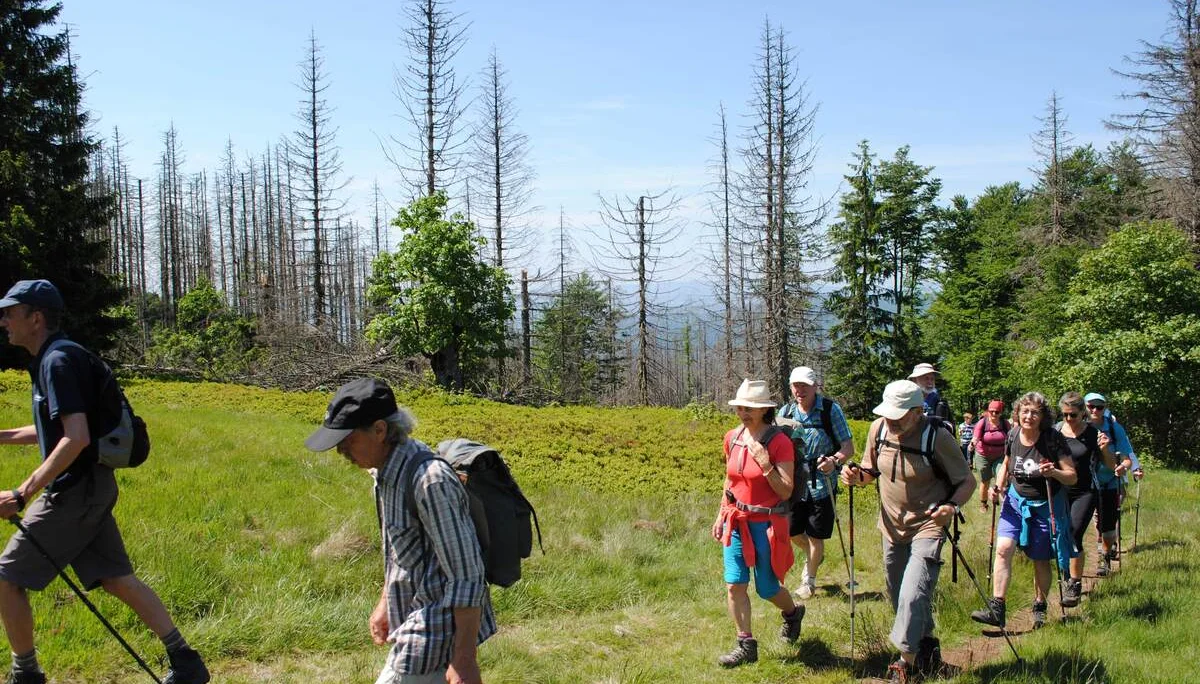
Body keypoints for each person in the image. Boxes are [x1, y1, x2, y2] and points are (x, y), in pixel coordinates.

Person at [0, 280, 209, 684]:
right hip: (91, 486)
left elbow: (75, 437)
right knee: (115, 579)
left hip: (75, 492)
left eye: (11, 312)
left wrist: (22, 492)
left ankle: (26, 674)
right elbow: (57, 428)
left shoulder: (57, 362)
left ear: (36, 318)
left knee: (7, 578)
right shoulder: (56, 357)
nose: (4, 320)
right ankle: (186, 662)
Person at [304, 377, 494, 684]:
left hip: (436, 635)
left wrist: (465, 659)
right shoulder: (384, 473)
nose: (340, 449)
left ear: (379, 430)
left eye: (347, 439)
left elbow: (468, 575)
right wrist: (385, 602)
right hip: (413, 626)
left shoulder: (429, 481)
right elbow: (400, 552)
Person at [841, 380, 976, 684]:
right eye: (888, 414)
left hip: (928, 525)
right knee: (898, 594)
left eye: (899, 415)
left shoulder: (937, 437)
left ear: (917, 412)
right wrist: (854, 476)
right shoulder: (879, 430)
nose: (891, 420)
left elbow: (967, 482)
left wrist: (951, 507)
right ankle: (928, 651)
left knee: (913, 594)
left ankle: (905, 664)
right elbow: (869, 471)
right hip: (890, 526)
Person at [711, 379, 804, 667]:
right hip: (736, 521)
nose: (743, 412)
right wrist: (721, 514)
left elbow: (786, 490)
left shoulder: (779, 443)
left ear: (765, 409)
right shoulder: (732, 437)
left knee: (766, 588)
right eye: (740, 407)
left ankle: (792, 613)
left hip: (766, 525)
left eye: (749, 408)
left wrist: (765, 464)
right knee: (735, 584)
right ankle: (746, 645)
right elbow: (731, 479)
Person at [972, 392, 1076, 631]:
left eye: (1035, 412)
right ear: (1017, 413)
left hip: (1044, 503)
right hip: (1015, 501)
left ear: (1042, 416)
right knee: (1003, 549)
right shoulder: (1013, 434)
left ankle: (1039, 605)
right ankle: (997, 608)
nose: (1029, 416)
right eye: (1025, 411)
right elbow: (1007, 463)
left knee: (1040, 559)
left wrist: (1054, 472)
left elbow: (1071, 477)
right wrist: (997, 486)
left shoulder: (1052, 439)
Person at [778, 366, 855, 600]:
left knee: (815, 534)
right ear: (791, 387)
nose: (799, 390)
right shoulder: (786, 412)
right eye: (795, 385)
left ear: (814, 386)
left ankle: (808, 581)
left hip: (823, 483)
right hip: (795, 482)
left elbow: (847, 447)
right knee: (791, 531)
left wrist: (834, 460)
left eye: (804, 385)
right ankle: (814, 555)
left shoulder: (830, 410)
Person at [1055, 392, 1116, 606]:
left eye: (1073, 415)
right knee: (1058, 535)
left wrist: (1105, 449)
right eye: (1065, 415)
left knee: (1073, 533)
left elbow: (1110, 465)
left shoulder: (1093, 434)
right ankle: (1064, 572)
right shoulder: (1054, 432)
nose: (1069, 419)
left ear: (1083, 413)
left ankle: (1074, 584)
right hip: (1057, 491)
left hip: (1085, 491)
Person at [1083, 392, 1143, 576]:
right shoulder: (1075, 426)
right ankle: (1072, 571)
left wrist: (1125, 467)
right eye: (1091, 406)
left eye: (1099, 407)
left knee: (1108, 526)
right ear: (1084, 406)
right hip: (1083, 484)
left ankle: (1105, 557)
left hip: (1109, 483)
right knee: (1076, 526)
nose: (1095, 410)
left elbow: (1126, 457)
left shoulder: (1115, 429)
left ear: (1105, 408)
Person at [972, 400, 1010, 513]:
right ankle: (984, 503)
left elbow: (1011, 436)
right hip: (983, 455)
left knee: (1002, 478)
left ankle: (1005, 505)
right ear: (988, 411)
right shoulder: (982, 423)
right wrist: (972, 444)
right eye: (991, 411)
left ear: (1001, 413)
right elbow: (976, 437)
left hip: (1000, 455)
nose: (994, 414)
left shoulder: (1005, 423)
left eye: (997, 412)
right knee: (985, 481)